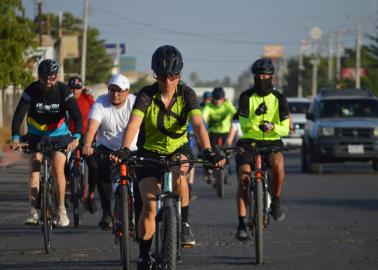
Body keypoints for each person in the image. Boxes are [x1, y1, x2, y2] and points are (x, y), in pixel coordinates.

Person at [112, 45, 224, 270]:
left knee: (180, 173)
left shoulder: (187, 94)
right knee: (150, 206)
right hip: (149, 152)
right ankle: (144, 255)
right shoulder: (146, 94)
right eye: (163, 76)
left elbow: (199, 125)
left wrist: (209, 150)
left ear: (179, 75)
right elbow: (134, 123)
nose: (168, 81)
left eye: (173, 76)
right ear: (156, 75)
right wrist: (125, 149)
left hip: (177, 149)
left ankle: (182, 223)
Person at [11, 59, 82, 227]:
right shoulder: (32, 89)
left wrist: (77, 137)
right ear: (39, 77)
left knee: (58, 169)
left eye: (50, 78)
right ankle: (33, 212)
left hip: (59, 135)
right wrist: (15, 137)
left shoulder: (64, 90)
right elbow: (19, 114)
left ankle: (61, 210)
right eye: (43, 78)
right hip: (36, 134)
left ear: (56, 77)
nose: (46, 82)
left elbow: (77, 116)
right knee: (34, 167)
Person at [235, 58, 290, 240]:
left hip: (271, 143)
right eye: (258, 76)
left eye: (265, 75)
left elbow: (285, 127)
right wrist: (256, 119)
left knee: (278, 165)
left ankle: (276, 200)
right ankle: (242, 222)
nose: (262, 78)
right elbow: (244, 126)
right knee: (243, 178)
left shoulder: (279, 98)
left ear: (271, 76)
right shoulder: (245, 97)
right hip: (249, 143)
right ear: (254, 76)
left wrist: (273, 127)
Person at [82, 73, 138, 230]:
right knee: (103, 174)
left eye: (120, 91)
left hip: (131, 149)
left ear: (127, 92)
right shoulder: (100, 103)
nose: (115, 94)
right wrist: (87, 143)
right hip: (107, 148)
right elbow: (92, 126)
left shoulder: (135, 102)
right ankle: (107, 213)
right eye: (112, 90)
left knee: (143, 178)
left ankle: (139, 213)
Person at [67, 76, 98, 213]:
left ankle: (91, 195)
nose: (75, 91)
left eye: (78, 89)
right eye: (72, 88)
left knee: (93, 166)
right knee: (63, 163)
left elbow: (96, 114)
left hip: (87, 137)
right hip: (69, 135)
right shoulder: (65, 99)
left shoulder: (88, 98)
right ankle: (67, 188)